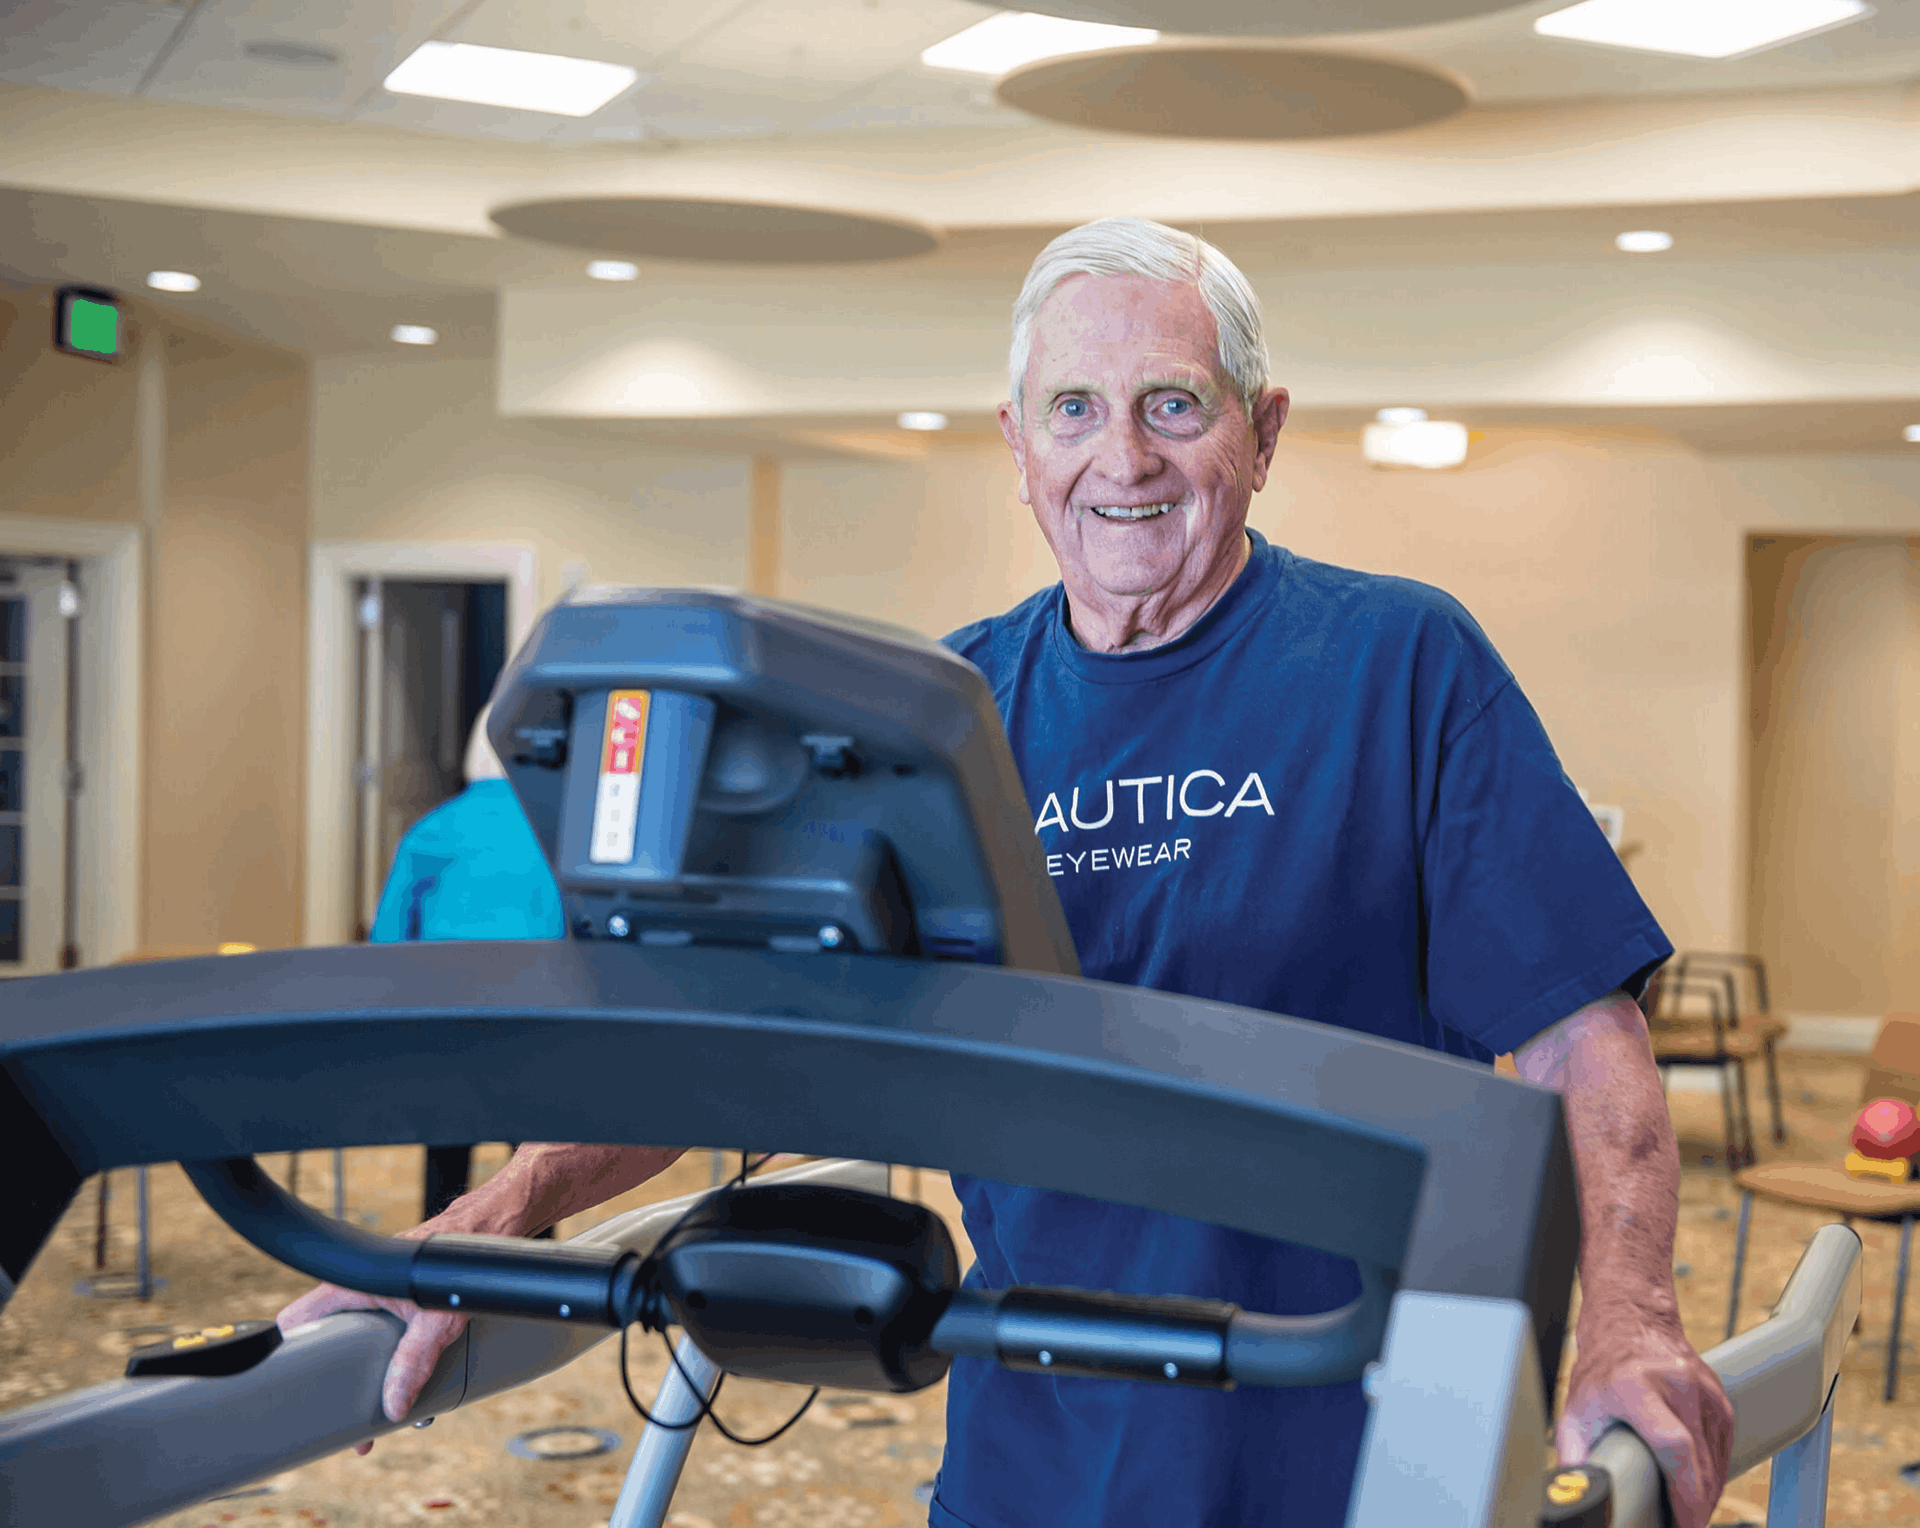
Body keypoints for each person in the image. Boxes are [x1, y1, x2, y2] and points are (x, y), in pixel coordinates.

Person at [281, 218, 1733, 1526]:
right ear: (1018, 445)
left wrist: (1632, 1317)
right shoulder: (941, 713)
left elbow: (1575, 1035)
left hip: (1361, 1423)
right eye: (1076, 410)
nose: (1127, 457)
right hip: (1041, 1423)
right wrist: (504, 1206)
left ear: (1263, 430)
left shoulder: (1401, 662)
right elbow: (751, 1041)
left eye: (1177, 403)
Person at [368, 706, 565, 1222]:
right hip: (538, 1017)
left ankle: (439, 1257)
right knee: (534, 1163)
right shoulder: (560, 835)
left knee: (446, 1149)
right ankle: (541, 1274)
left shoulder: (430, 831)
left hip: (450, 1018)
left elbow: (386, 942)